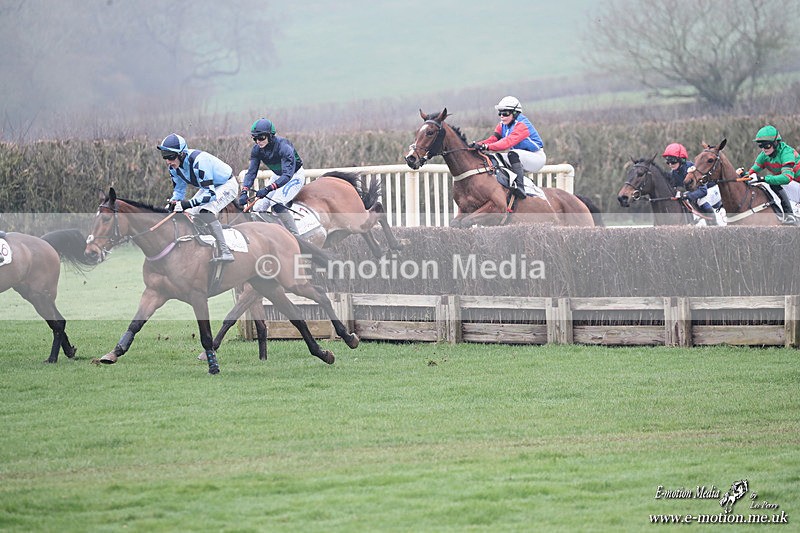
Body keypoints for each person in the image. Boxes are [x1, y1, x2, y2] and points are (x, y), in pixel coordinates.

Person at [158, 133, 238, 262]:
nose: (168, 161)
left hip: (226, 184)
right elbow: (179, 191)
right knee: (188, 216)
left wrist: (187, 204)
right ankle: (203, 247)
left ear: (182, 154)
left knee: (205, 212)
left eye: (171, 157)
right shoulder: (173, 168)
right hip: (209, 188)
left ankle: (225, 251)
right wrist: (173, 203)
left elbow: (210, 195)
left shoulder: (200, 162)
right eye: (164, 157)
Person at [240, 118, 305, 235]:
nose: (258, 141)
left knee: (276, 203)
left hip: (294, 176)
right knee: (258, 209)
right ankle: (275, 234)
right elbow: (251, 172)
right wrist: (244, 191)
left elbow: (287, 175)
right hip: (278, 176)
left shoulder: (284, 147)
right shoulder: (256, 150)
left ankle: (296, 237)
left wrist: (268, 189)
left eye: (261, 138)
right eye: (255, 139)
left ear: (270, 136)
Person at [472, 96, 546, 199]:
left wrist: (486, 146)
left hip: (536, 157)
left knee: (512, 154)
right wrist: (478, 144)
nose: (502, 116)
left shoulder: (522, 125)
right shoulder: (502, 125)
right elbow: (494, 139)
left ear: (515, 113)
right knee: (495, 157)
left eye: (505, 113)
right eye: (500, 113)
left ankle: (520, 188)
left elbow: (506, 143)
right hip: (520, 156)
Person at [744, 125, 799, 225]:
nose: (764, 149)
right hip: (792, 186)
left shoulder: (786, 153)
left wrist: (763, 178)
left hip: (795, 183)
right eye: (761, 146)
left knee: (773, 184)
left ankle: (789, 215)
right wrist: (742, 174)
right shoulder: (764, 155)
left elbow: (787, 178)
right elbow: (752, 172)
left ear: (776, 143)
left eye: (767, 146)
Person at [663, 142, 724, 225]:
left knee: (701, 202)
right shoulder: (674, 173)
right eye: (668, 162)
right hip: (698, 192)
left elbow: (703, 191)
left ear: (681, 160)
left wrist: (687, 195)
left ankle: (714, 226)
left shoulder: (691, 168)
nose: (670, 165)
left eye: (673, 162)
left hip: (712, 189)